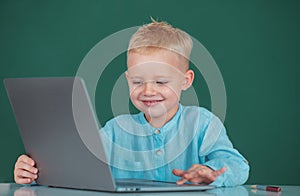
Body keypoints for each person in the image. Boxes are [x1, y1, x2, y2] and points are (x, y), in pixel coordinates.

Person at [14, 20, 249, 187]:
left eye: (160, 81)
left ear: (185, 81)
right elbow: (77, 168)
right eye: (138, 81)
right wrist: (36, 172)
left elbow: (237, 165)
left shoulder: (202, 123)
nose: (148, 91)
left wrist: (211, 173)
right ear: (127, 80)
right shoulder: (116, 130)